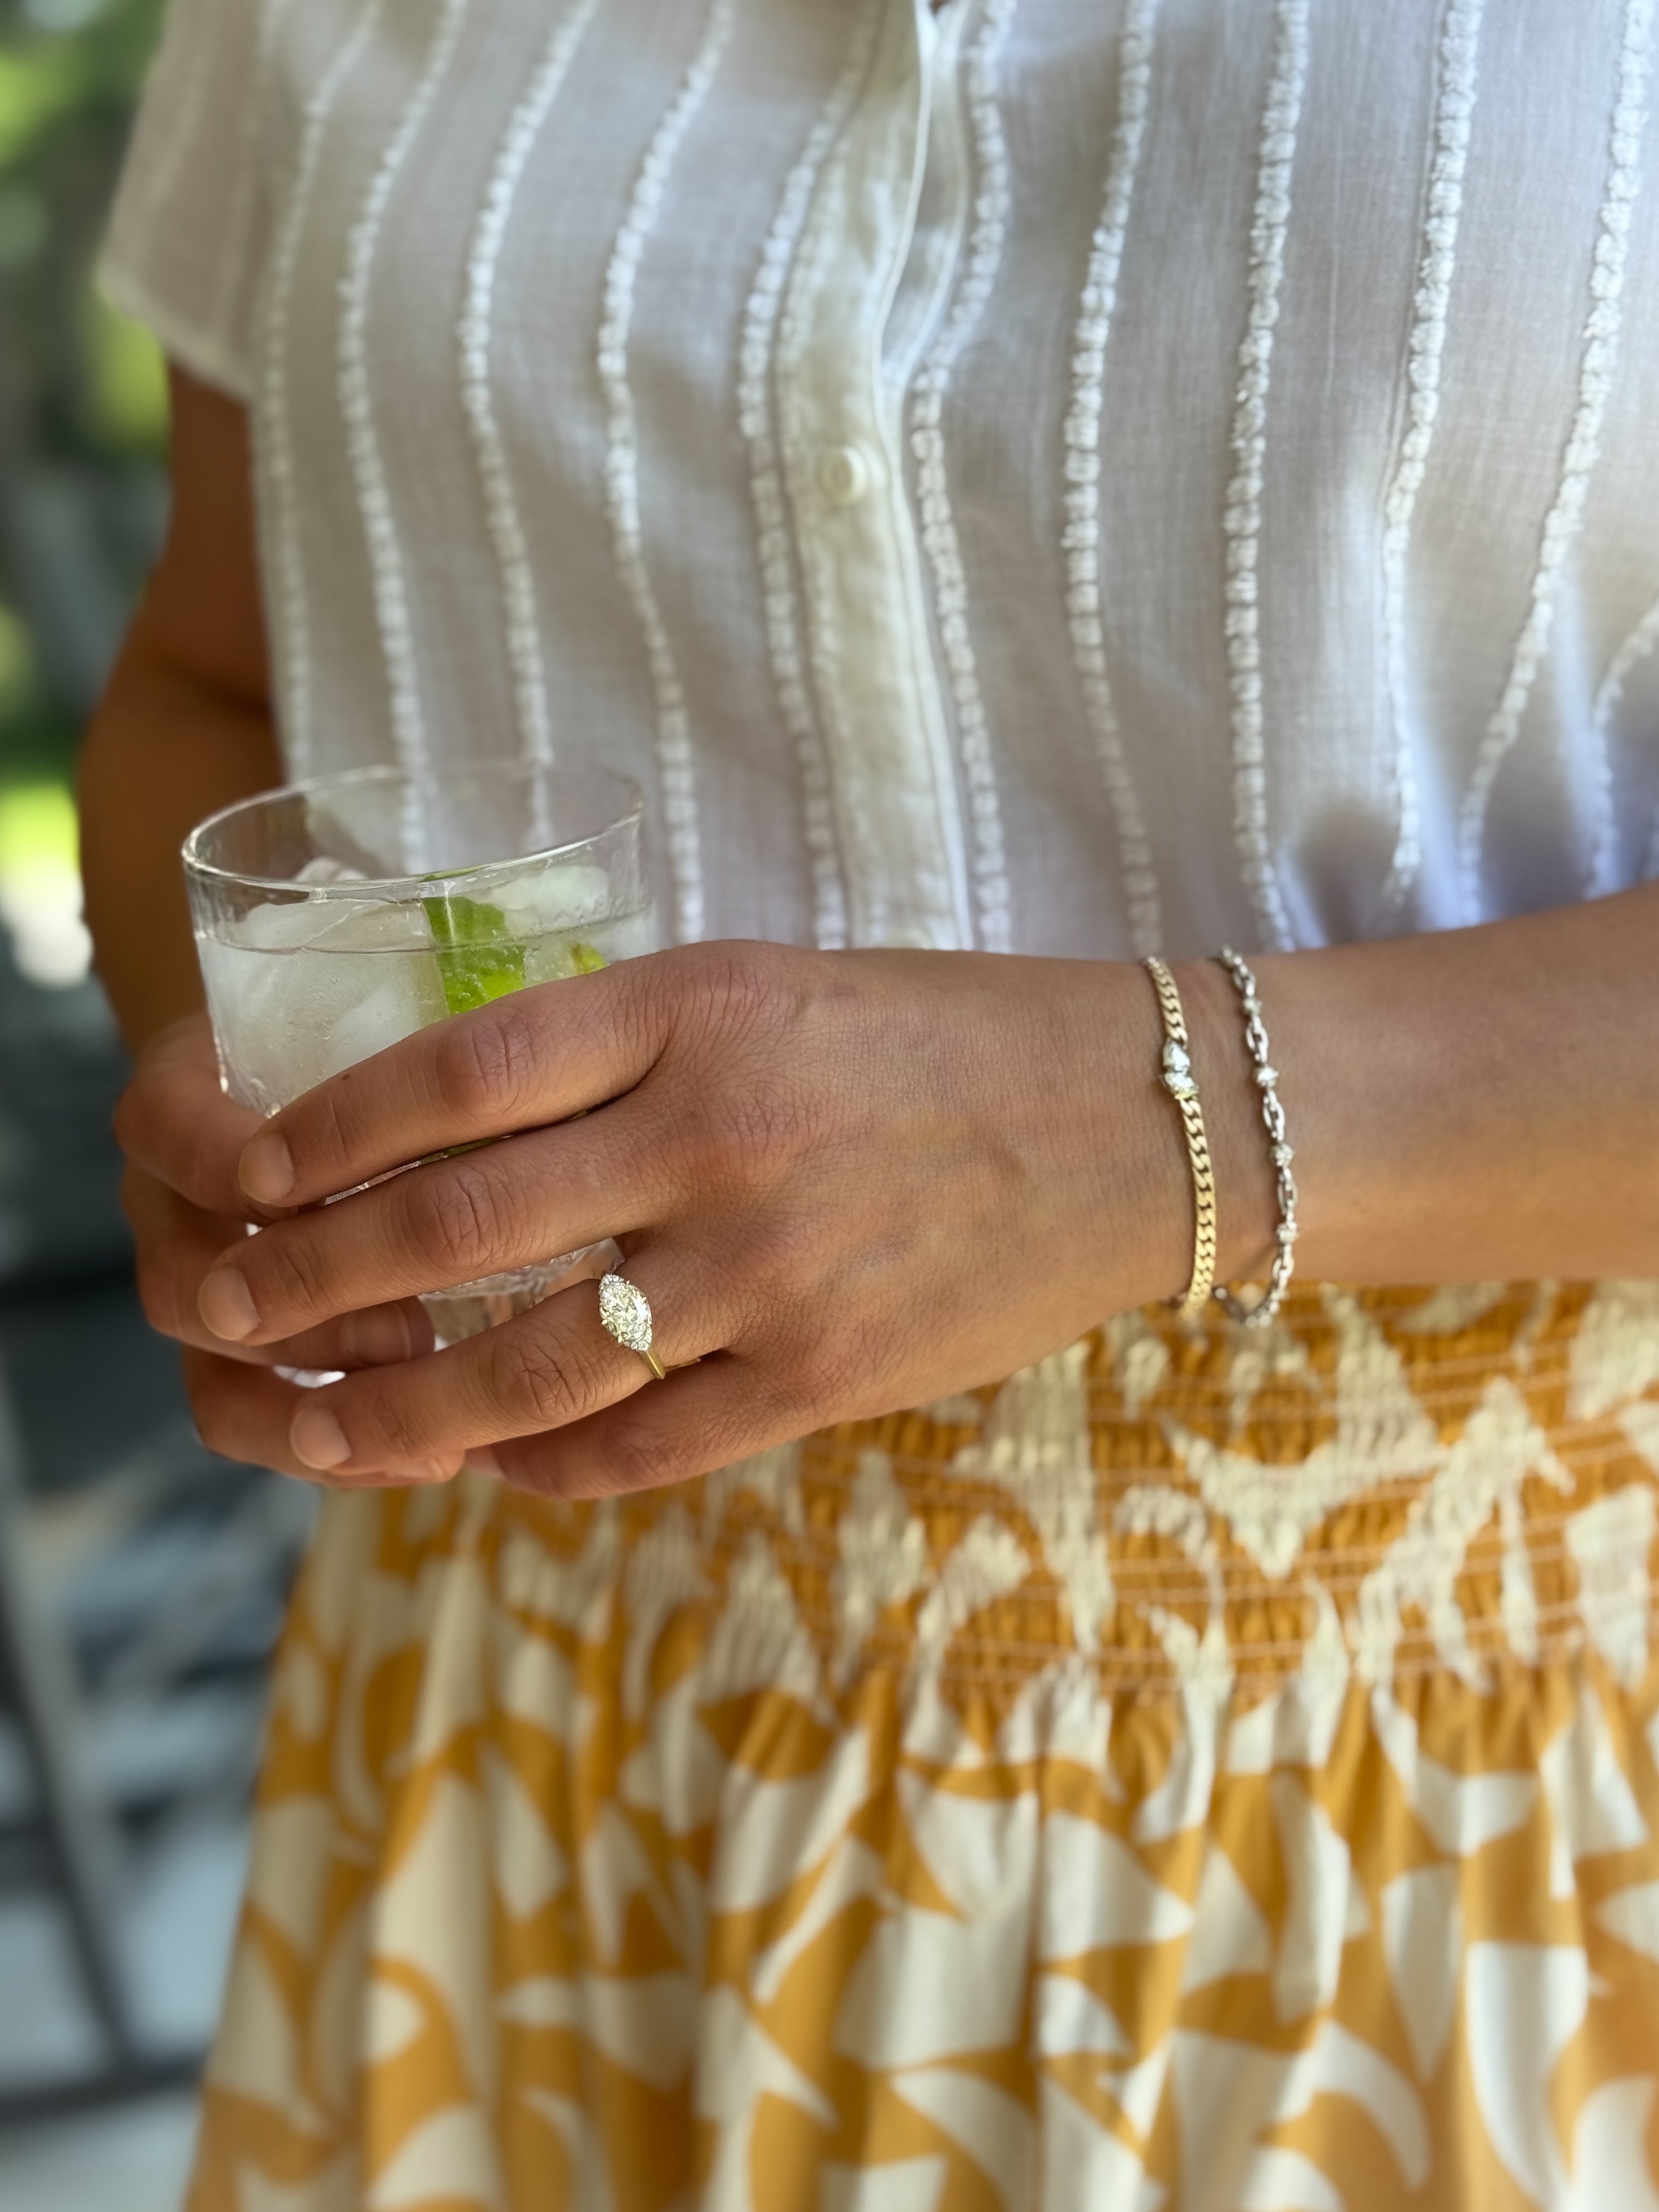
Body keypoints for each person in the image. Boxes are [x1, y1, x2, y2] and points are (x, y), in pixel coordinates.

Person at [80, 0, 1659, 2202]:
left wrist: (1157, 1122)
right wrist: (275, 1114)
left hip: (1458, 1781)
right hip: (543, 1750)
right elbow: (211, 683)